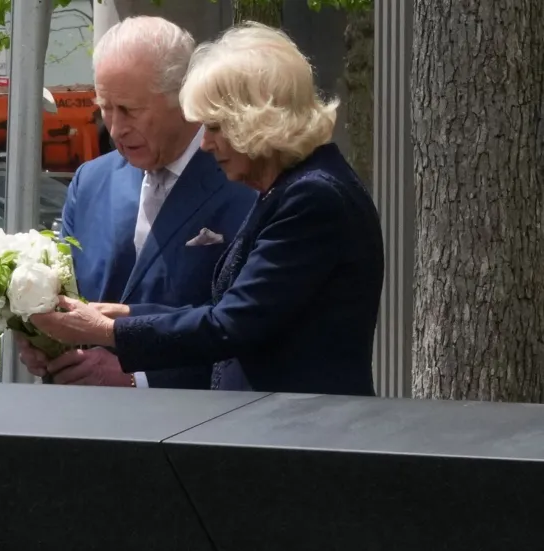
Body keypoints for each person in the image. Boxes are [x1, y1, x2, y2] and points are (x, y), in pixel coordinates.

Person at [28, 22, 385, 397]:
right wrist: (122, 315)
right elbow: (228, 310)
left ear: (258, 119)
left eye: (214, 126)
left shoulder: (312, 197)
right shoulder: (295, 187)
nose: (206, 144)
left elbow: (230, 323)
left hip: (302, 436)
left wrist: (106, 331)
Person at [18, 16, 256, 390]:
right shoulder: (91, 181)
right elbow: (68, 297)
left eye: (129, 109)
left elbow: (243, 330)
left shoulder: (243, 181)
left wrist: (139, 379)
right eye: (105, 108)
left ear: (184, 97)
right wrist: (46, 342)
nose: (114, 128)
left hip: (196, 428)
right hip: (83, 425)